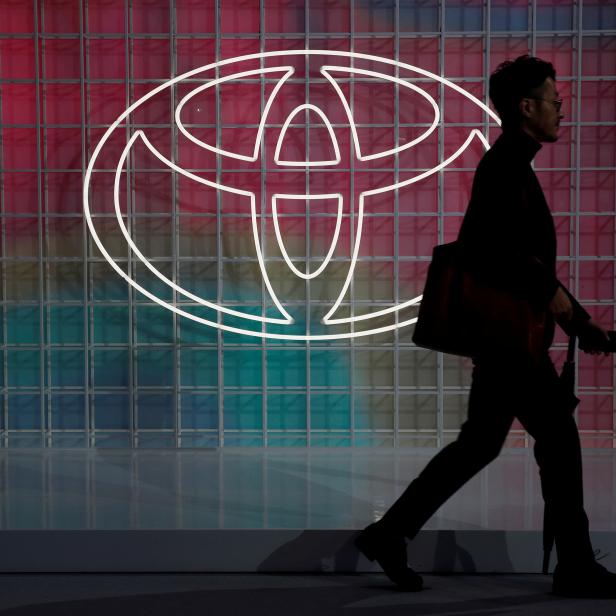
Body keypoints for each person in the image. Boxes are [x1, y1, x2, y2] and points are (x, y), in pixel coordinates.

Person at [355, 55, 616, 598]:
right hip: (512, 341)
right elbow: (514, 263)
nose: (561, 110)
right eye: (554, 100)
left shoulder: (509, 166)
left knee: (479, 444)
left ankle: (389, 533)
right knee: (559, 441)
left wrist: (577, 320)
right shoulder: (505, 169)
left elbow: (519, 263)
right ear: (527, 107)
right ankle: (574, 567)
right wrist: (580, 322)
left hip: (508, 339)